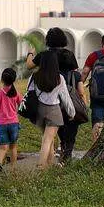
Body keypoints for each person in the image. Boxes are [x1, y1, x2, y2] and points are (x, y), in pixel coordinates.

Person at [31, 30, 77, 169]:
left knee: (48, 140)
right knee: (48, 140)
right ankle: (41, 166)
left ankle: (49, 166)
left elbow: (30, 91)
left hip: (39, 111)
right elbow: (66, 98)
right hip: (54, 111)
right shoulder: (59, 78)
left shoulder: (35, 76)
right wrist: (72, 113)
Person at [57, 43, 87, 164]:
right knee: (72, 132)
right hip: (73, 108)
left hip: (58, 107)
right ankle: (68, 154)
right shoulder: (76, 75)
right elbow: (81, 92)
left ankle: (63, 146)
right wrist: (84, 105)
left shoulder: (55, 75)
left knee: (61, 130)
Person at [0, 68, 23, 173]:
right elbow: (21, 105)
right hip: (14, 123)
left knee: (2, 148)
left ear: (2, 79)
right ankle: (13, 169)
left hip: (2, 124)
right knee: (13, 147)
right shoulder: (16, 93)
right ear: (13, 80)